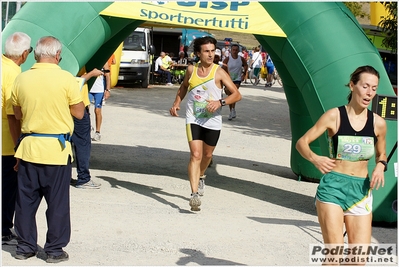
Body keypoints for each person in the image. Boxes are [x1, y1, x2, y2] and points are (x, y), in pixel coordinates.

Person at [296, 65, 387, 264]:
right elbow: (302, 142)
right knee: (335, 255)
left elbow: (382, 153)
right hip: (333, 188)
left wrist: (381, 166)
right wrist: (315, 158)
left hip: (361, 190)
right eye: (365, 86)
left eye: (374, 88)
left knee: (358, 259)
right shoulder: (334, 116)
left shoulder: (378, 123)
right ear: (352, 85)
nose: (369, 92)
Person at [11, 36, 85, 263]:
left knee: (25, 202)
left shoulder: (21, 79)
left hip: (29, 148)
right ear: (57, 55)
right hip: (57, 150)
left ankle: (25, 247)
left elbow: (17, 113)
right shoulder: (66, 79)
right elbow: (79, 112)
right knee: (57, 204)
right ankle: (53, 250)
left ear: (36, 55)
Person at [169, 36, 242, 211]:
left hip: (213, 119)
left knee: (207, 156)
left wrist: (220, 102)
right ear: (198, 53)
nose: (211, 54)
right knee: (196, 154)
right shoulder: (190, 70)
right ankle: (194, 195)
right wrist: (177, 102)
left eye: (212, 51)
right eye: (206, 51)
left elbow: (237, 95)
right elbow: (184, 87)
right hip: (193, 117)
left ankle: (201, 175)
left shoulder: (219, 72)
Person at [2, 32, 32, 245]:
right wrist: (18, 145)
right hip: (6, 143)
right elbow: (13, 116)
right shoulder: (15, 75)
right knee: (8, 188)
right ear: (24, 54)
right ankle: (4, 229)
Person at [71, 67, 104, 189]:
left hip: (76, 106)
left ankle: (67, 176)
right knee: (83, 144)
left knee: (69, 143)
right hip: (77, 107)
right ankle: (83, 178)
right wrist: (91, 74)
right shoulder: (75, 61)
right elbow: (74, 81)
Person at [222, 44, 248, 120]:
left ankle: (232, 111)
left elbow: (246, 65)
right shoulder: (227, 59)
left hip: (237, 79)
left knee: (233, 93)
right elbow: (222, 68)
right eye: (233, 50)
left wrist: (244, 74)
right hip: (229, 79)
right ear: (231, 50)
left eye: (236, 50)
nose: (235, 51)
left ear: (238, 51)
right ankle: (232, 110)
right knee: (229, 94)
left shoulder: (241, 59)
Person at [89, 62, 111, 141]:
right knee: (85, 109)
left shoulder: (105, 62)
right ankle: (88, 126)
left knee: (97, 110)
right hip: (88, 89)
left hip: (99, 89)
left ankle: (98, 132)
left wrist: (107, 90)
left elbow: (108, 75)